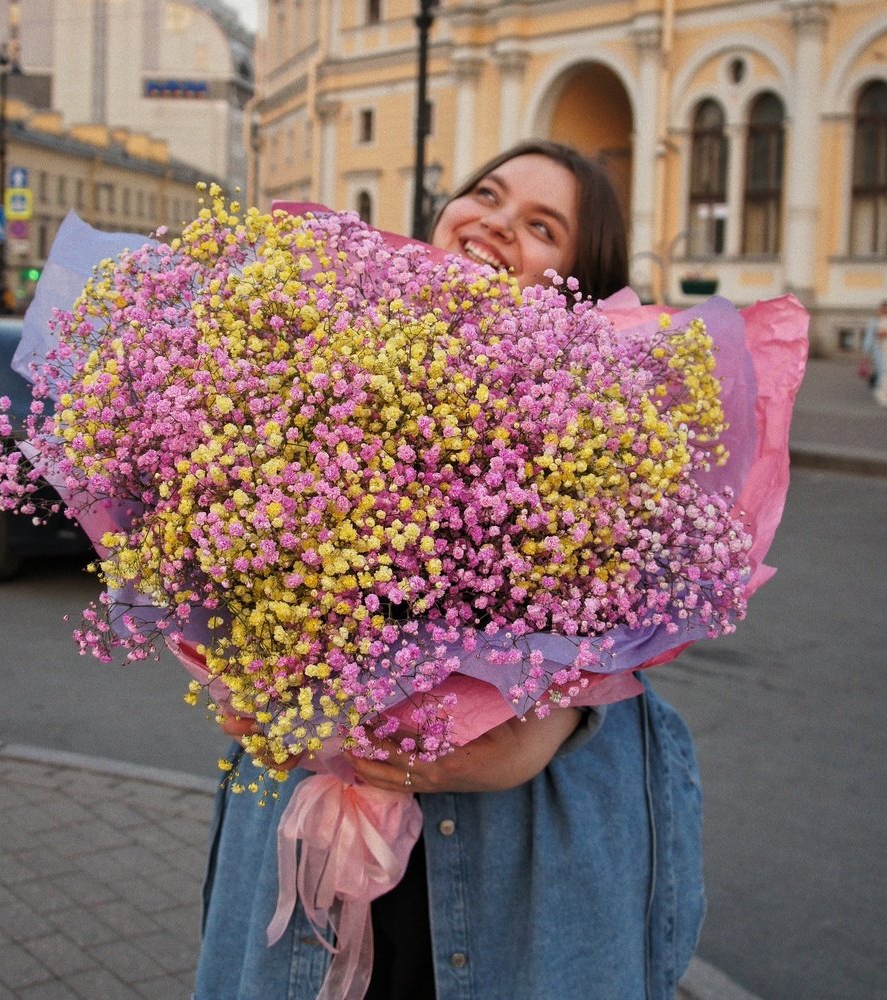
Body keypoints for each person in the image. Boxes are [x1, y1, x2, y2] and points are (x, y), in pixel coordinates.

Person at [193, 140, 705, 1000]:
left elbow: (632, 619)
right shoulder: (312, 355)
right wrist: (242, 661)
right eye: (487, 194)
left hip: (515, 866)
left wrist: (553, 714)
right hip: (312, 831)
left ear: (581, 282)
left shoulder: (615, 426)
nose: (497, 223)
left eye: (541, 226)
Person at [862, 301, 887, 407]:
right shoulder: (874, 322)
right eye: (883, 309)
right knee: (882, 371)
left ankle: (881, 390)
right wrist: (866, 353)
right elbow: (870, 337)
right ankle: (881, 393)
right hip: (878, 350)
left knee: (883, 372)